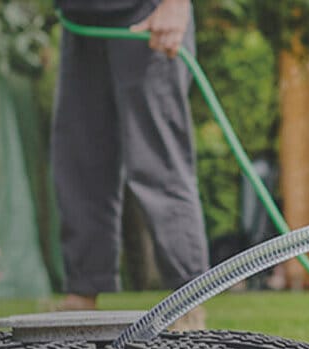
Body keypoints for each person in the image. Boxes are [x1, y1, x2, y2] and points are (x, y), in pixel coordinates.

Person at [52, 0, 208, 328]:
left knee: (157, 163)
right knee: (81, 162)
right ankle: (82, 295)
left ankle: (188, 299)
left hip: (146, 15)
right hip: (82, 21)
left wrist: (175, 5)